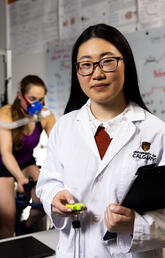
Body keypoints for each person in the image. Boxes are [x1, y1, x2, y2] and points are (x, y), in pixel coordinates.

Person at [36, 24, 165, 258]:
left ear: (126, 63)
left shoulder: (156, 132)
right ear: (77, 72)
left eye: (107, 61)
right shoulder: (64, 127)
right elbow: (47, 183)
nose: (96, 74)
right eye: (85, 64)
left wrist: (135, 226)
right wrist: (54, 197)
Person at [0, 74, 55, 239]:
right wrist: (20, 178)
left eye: (41, 99)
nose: (37, 104)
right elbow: (6, 153)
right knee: (8, 218)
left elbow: (58, 145)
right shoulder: (7, 113)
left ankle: (27, 227)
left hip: (26, 162)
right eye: (32, 98)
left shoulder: (44, 115)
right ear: (20, 96)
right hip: (3, 165)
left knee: (44, 201)